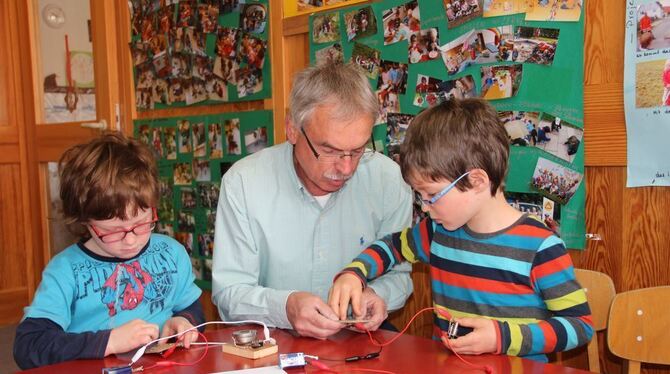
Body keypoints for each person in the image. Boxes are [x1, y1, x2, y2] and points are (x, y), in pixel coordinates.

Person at [328, 98, 593, 362]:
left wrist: (502, 337)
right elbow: (392, 247)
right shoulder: (437, 232)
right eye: (419, 196)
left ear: (476, 181)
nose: (426, 208)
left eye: (431, 195)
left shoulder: (540, 248)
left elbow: (579, 326)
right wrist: (354, 274)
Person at [212, 63, 413, 339]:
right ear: (293, 129)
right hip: (276, 341)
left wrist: (378, 294)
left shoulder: (389, 180)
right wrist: (286, 307)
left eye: (357, 151)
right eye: (329, 150)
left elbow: (400, 275)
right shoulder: (243, 183)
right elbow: (229, 292)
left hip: (359, 343)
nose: (345, 168)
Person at [13, 133, 204, 369]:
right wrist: (108, 341)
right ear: (84, 221)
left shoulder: (171, 252)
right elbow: (29, 345)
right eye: (114, 231)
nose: (131, 240)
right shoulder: (65, 270)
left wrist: (183, 321)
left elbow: (191, 307)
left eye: (142, 223)